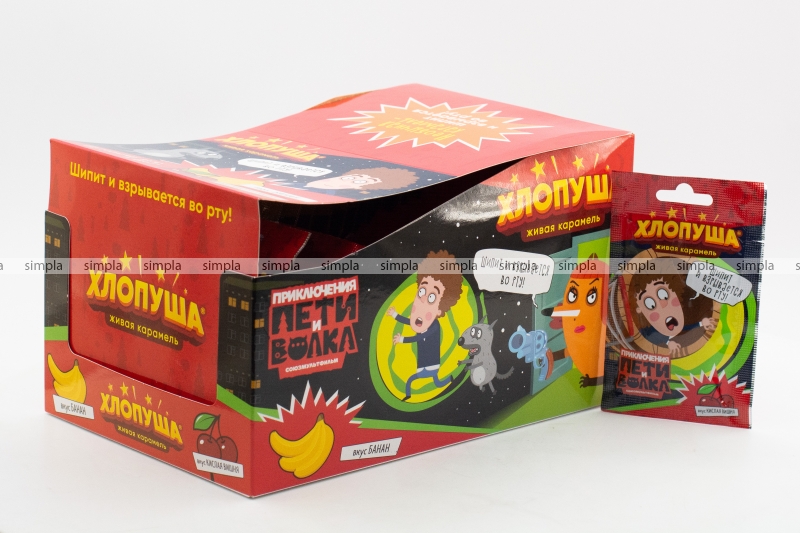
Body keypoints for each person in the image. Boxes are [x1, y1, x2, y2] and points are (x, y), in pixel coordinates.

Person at [387, 251, 463, 401]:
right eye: (422, 291)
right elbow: (411, 323)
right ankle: (448, 380)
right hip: (423, 363)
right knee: (435, 381)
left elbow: (419, 336)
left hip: (431, 364)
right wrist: (395, 315)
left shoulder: (434, 326)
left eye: (432, 296)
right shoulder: (421, 320)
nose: (422, 299)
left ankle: (410, 394)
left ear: (440, 309)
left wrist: (403, 339)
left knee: (418, 380)